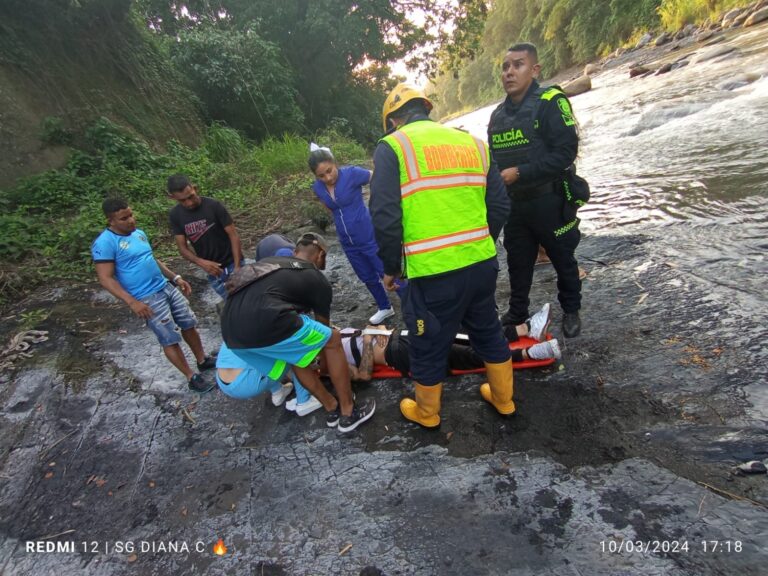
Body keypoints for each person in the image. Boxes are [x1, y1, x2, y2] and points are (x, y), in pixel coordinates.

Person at [370, 82, 514, 428]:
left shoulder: (393, 147)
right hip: (481, 264)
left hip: (433, 273)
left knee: (427, 342)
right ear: (427, 109)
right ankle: (504, 400)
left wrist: (392, 268)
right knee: (488, 330)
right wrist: (481, 243)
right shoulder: (473, 144)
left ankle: (427, 413)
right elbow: (499, 205)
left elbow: (385, 216)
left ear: (392, 121)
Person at [219, 232, 375, 432]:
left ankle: (331, 406)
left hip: (231, 333)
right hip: (267, 319)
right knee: (333, 338)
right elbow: (325, 336)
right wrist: (324, 367)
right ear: (320, 255)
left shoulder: (272, 262)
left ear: (295, 251)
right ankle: (348, 412)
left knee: (296, 354)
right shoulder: (317, 280)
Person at [487, 42, 583, 338]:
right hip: (515, 206)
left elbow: (566, 152)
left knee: (562, 257)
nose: (509, 72)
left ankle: (571, 309)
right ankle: (517, 312)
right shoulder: (497, 116)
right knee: (517, 262)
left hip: (549, 200)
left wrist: (521, 172)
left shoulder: (551, 101)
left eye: (518, 65)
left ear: (535, 69)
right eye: (505, 67)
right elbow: (492, 162)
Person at [92, 197, 216, 393]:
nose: (131, 220)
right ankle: (191, 376)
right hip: (146, 297)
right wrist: (132, 302)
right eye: (124, 218)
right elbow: (105, 278)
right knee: (169, 338)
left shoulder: (138, 233)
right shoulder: (105, 243)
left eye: (131, 215)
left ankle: (202, 359)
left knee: (188, 323)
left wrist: (175, 277)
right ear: (111, 221)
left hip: (164, 286)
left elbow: (151, 259)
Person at [309, 144, 399, 324]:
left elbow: (378, 179)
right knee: (366, 275)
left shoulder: (352, 174)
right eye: (321, 175)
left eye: (330, 171)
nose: (328, 177)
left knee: (386, 270)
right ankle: (384, 307)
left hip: (368, 233)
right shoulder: (318, 187)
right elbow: (331, 209)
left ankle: (412, 303)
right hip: (347, 241)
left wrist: (379, 205)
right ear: (315, 176)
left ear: (335, 163)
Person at [338, 324, 561, 382]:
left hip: (402, 334)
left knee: (464, 333)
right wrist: (368, 341)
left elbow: (365, 329)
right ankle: (531, 353)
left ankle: (525, 329)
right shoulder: (325, 360)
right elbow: (362, 375)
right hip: (398, 352)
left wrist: (375, 329)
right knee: (461, 355)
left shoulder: (330, 333)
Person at [168, 173, 243, 300]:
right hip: (212, 270)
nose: (188, 203)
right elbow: (182, 248)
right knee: (231, 303)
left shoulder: (214, 206)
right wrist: (201, 263)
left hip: (232, 261)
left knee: (247, 298)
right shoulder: (175, 215)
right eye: (182, 200)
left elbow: (233, 236)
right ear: (172, 197)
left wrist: (238, 267)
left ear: (195, 189)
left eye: (191, 197)